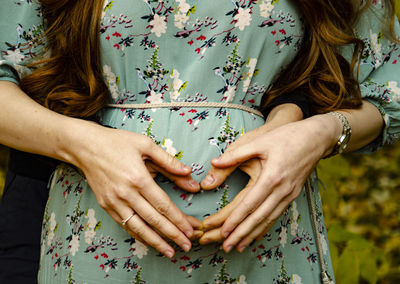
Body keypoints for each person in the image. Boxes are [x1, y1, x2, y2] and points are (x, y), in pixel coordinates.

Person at [0, 1, 399, 283]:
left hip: (271, 248)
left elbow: (387, 92)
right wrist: (83, 145)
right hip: (97, 242)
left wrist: (320, 133)